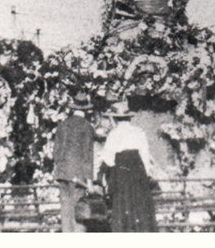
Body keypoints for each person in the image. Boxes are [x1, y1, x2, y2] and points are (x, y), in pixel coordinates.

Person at [98, 100, 157, 232]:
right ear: (129, 117)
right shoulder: (139, 132)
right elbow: (145, 155)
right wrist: (146, 173)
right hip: (138, 171)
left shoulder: (114, 134)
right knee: (139, 205)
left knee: (122, 204)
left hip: (122, 172)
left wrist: (105, 174)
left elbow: (109, 159)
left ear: (115, 119)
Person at [54, 92, 96, 233]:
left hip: (62, 173)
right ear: (86, 110)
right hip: (78, 176)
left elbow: (56, 153)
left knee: (66, 212)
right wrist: (89, 181)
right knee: (78, 213)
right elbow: (87, 155)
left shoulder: (62, 125)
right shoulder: (87, 127)